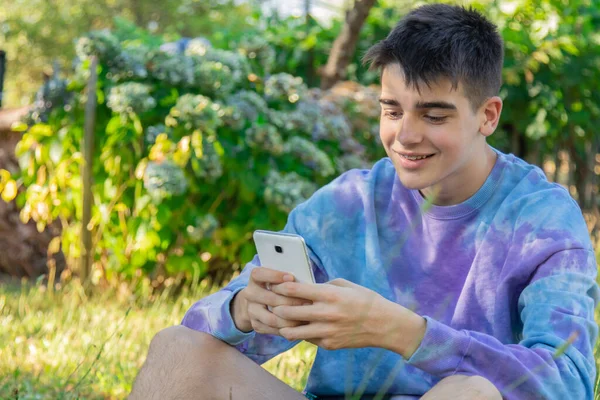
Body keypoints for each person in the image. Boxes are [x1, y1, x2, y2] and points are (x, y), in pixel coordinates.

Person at [130, 4, 599, 399]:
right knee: (177, 348)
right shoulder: (346, 204)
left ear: (487, 116)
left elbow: (570, 380)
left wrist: (405, 333)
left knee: (468, 393)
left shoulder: (542, 218)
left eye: (434, 115)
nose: (405, 136)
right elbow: (221, 329)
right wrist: (244, 312)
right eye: (392, 110)